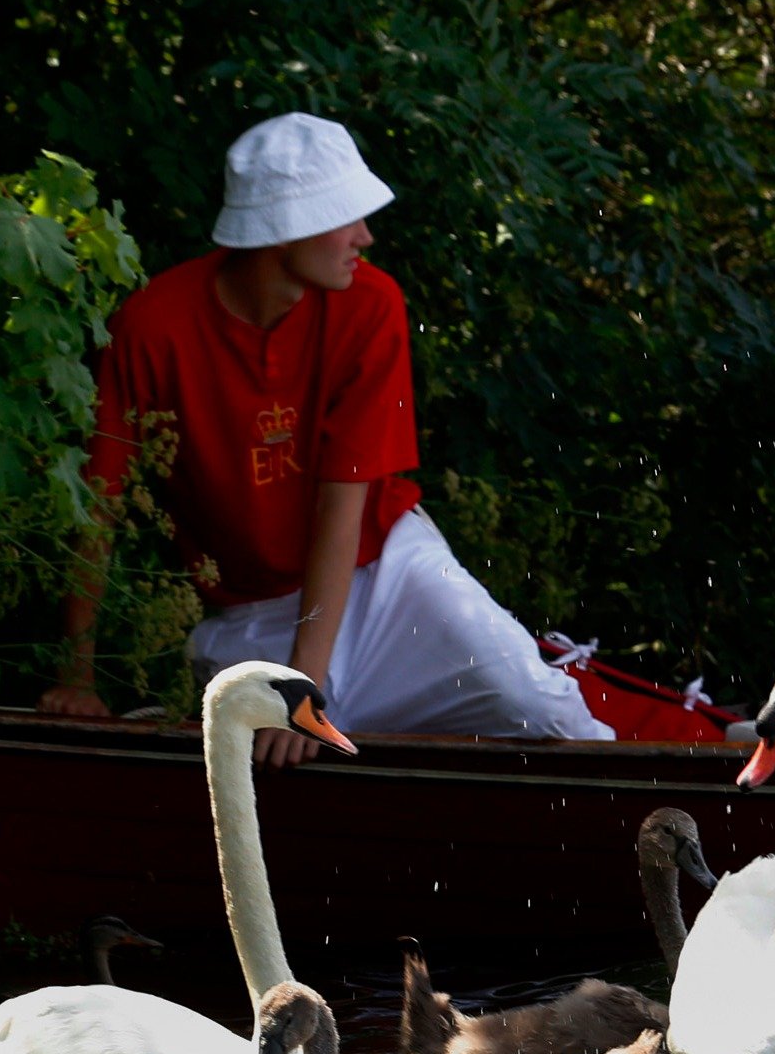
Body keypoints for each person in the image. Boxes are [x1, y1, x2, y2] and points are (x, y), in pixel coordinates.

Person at [41, 112, 608, 763]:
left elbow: (341, 510)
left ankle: (646, 816)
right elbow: (99, 511)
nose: (365, 236)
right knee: (266, 755)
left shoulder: (371, 304)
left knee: (538, 704)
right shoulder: (151, 326)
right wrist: (74, 677)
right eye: (347, 217)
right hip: (248, 609)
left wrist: (299, 689)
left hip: (385, 568)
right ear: (286, 229)